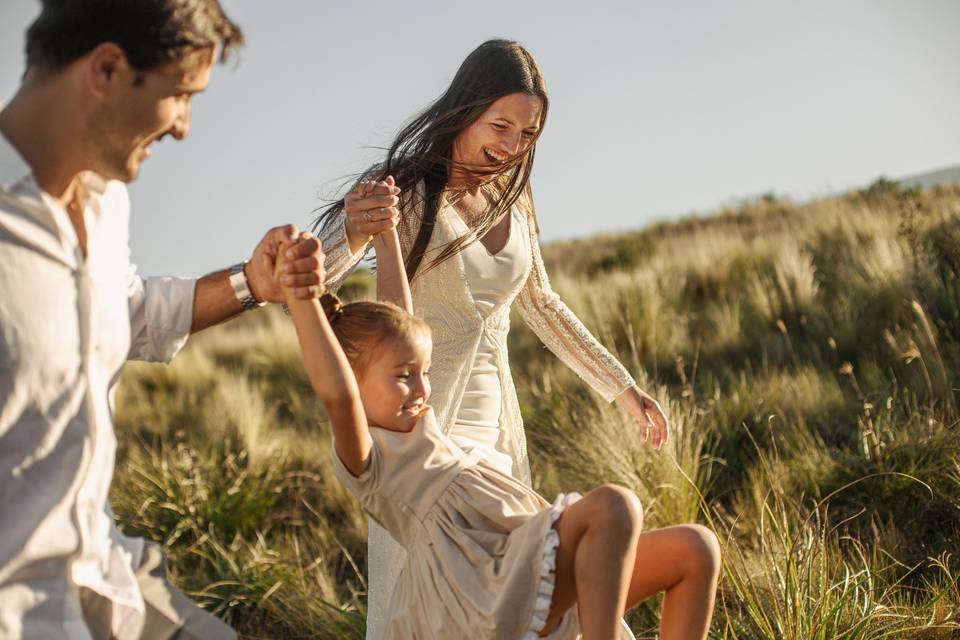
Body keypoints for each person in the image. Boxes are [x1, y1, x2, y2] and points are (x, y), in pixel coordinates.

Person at [313, 39, 670, 636]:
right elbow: (316, 284)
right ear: (464, 110)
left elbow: (543, 305)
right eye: (499, 125)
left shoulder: (516, 196)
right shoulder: (407, 190)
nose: (511, 146)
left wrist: (622, 388)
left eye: (527, 134)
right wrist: (353, 232)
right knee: (433, 608)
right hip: (423, 430)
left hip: (500, 431)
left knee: (522, 599)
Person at [0, 2, 326, 638]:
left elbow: (124, 315)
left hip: (109, 575)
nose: (183, 128)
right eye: (181, 95)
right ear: (108, 69)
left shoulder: (105, 201)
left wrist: (252, 284)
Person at [279, 212, 720, 639]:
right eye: (402, 377)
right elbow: (336, 392)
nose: (420, 388)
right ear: (353, 382)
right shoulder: (372, 459)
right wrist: (303, 301)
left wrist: (388, 236)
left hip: (520, 561)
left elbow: (400, 317)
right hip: (473, 593)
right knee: (614, 507)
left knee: (696, 549)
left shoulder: (426, 428)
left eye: (424, 373)